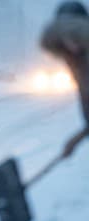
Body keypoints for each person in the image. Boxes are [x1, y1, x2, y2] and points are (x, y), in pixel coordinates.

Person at [41, 1, 89, 158]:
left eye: (75, 37)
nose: (71, 45)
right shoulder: (79, 66)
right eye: (63, 41)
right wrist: (75, 141)